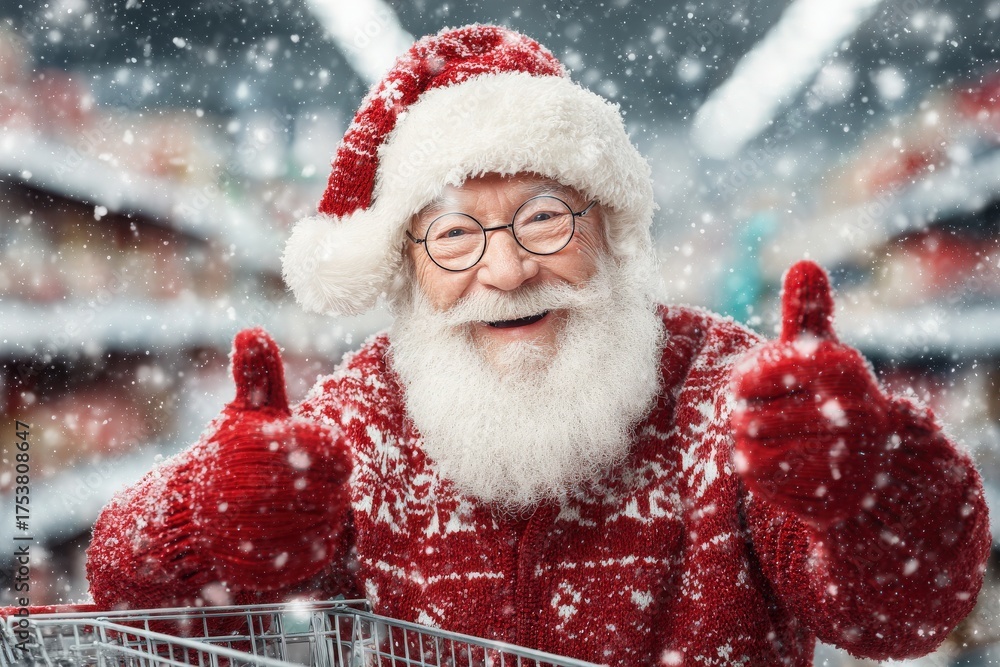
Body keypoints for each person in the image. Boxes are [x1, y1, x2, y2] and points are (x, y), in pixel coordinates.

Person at [85, 24, 991, 667]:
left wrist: (879, 484)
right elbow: (120, 588)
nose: (509, 270)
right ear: (407, 268)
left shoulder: (730, 396)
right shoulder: (362, 422)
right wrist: (201, 523)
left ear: (611, 231)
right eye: (453, 235)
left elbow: (899, 616)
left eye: (545, 219)